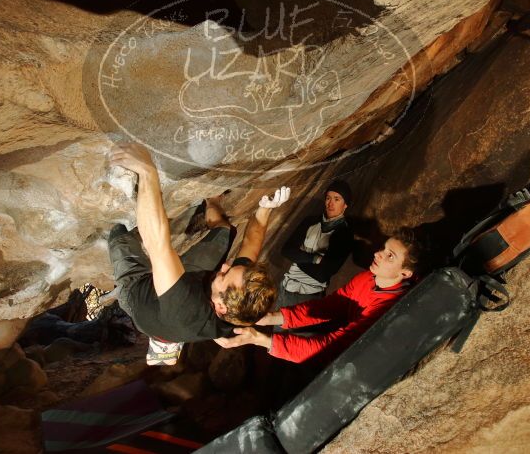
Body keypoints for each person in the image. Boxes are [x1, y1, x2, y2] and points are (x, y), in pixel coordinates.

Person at [103, 143, 289, 365]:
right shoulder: (241, 303)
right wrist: (266, 209)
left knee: (119, 234)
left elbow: (157, 243)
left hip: (139, 293)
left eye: (224, 275)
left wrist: (147, 170)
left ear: (221, 307)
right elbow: (251, 242)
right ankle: (212, 201)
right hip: (192, 290)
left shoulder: (187, 309)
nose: (224, 266)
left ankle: (164, 340)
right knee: (224, 232)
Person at [214, 229, 421, 364]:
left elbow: (331, 346)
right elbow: (331, 306)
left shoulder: (389, 309)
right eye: (383, 249)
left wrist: (259, 339)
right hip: (340, 338)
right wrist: (273, 317)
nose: (377, 254)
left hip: (356, 361)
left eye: (389, 256)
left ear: (405, 273)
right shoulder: (367, 278)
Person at [278, 179, 354, 308]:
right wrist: (316, 258)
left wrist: (298, 258)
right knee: (277, 328)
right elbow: (286, 250)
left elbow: (323, 274)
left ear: (345, 204)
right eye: (328, 198)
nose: (330, 203)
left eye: (337, 199)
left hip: (310, 295)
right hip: (286, 287)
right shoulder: (310, 221)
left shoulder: (345, 233)